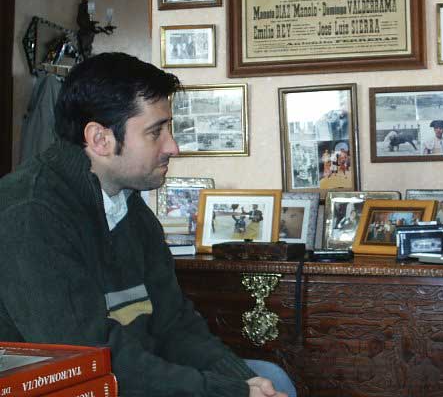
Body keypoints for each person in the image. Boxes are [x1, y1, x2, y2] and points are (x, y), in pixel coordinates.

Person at [0, 53, 296, 397]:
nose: (173, 147)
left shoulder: (131, 210)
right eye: (156, 132)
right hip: (75, 386)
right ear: (100, 140)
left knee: (271, 378)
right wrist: (224, 391)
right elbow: (89, 359)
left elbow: (174, 325)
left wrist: (241, 379)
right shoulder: (30, 213)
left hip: (136, 374)